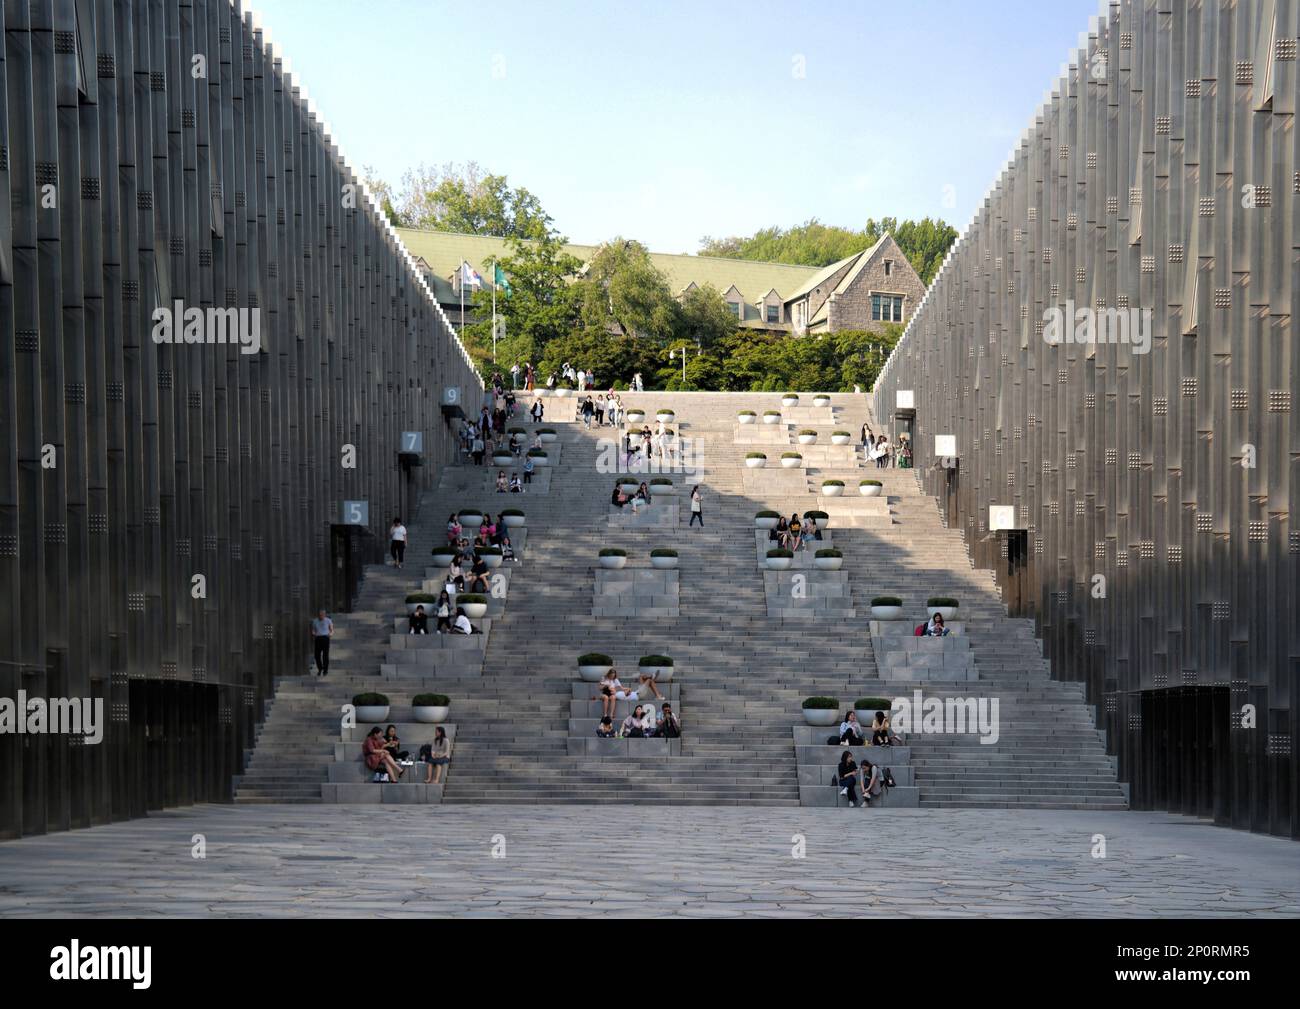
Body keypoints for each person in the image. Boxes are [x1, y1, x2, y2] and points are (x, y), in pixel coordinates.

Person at [310, 608, 333, 676]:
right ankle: (320, 668)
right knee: (317, 655)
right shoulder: (315, 621)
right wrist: (313, 634)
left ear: (325, 615)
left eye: (322, 615)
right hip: (318, 638)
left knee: (325, 655)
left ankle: (325, 670)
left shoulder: (328, 620)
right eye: (320, 615)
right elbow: (313, 630)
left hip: (325, 638)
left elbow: (331, 629)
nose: (321, 616)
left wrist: (330, 634)